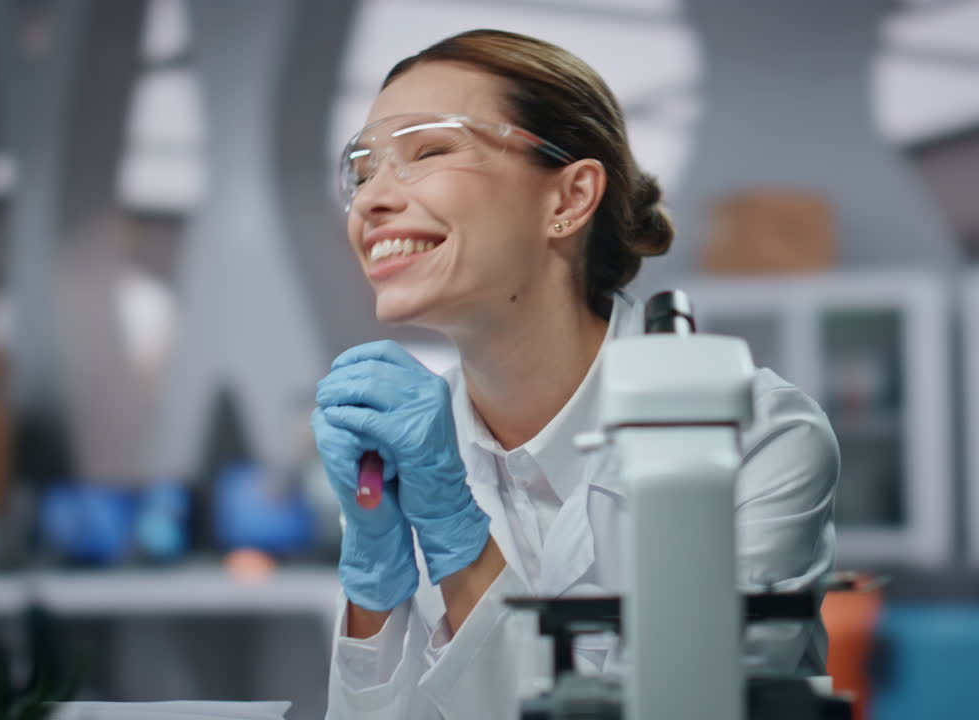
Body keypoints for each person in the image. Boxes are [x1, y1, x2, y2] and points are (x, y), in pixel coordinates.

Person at [310, 29, 839, 719]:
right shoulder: (410, 448)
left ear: (568, 198)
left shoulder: (755, 438)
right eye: (361, 170)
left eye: (429, 150)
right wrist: (374, 592)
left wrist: (457, 536)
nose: (371, 200)